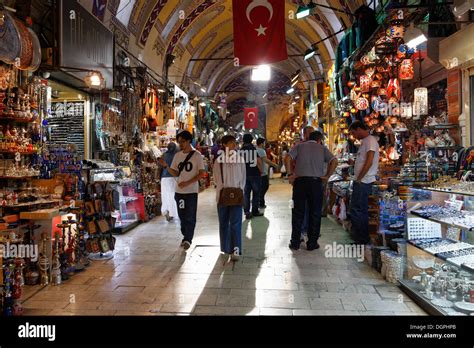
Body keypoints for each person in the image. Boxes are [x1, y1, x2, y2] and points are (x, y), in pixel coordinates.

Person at [286, 131, 338, 251]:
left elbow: (288, 158)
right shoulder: (322, 148)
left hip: (300, 182)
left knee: (298, 212)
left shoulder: (298, 146)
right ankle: (312, 243)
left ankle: (295, 242)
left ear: (307, 138)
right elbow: (334, 161)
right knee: (315, 213)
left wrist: (290, 174)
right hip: (316, 183)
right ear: (319, 140)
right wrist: (327, 176)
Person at [159, 131, 206, 250]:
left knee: (190, 216)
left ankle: (188, 239)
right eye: (179, 142)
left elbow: (201, 173)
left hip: (191, 192)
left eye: (182, 142)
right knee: (182, 216)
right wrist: (166, 166)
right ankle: (185, 235)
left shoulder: (197, 155)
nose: (180, 144)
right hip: (179, 192)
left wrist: (188, 183)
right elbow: (175, 172)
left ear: (189, 141)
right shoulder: (177, 156)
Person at [214, 135, 246, 261]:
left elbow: (243, 178)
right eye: (231, 143)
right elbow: (217, 179)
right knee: (224, 223)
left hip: (234, 195)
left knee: (236, 223)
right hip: (223, 195)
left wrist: (238, 190)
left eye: (235, 143)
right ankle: (226, 248)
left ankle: (235, 250)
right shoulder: (219, 161)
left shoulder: (240, 159)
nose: (234, 146)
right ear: (224, 145)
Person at [348, 121, 380, 245]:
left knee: (358, 210)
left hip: (364, 181)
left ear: (359, 129)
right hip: (362, 180)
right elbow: (364, 161)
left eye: (353, 132)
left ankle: (362, 239)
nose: (353, 135)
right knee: (357, 209)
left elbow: (370, 161)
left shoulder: (370, 141)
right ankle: (360, 238)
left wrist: (360, 178)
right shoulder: (365, 142)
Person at [242, 134, 263, 219]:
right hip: (254, 174)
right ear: (251, 140)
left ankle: (247, 211)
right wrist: (261, 170)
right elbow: (258, 161)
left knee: (246, 193)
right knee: (256, 193)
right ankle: (255, 211)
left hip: (245, 174)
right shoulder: (252, 149)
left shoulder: (241, 150)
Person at [159, 142, 179, 222]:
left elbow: (160, 167)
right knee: (173, 196)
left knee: (165, 195)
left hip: (164, 178)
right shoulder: (177, 155)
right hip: (174, 177)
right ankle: (172, 213)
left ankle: (166, 211)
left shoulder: (163, 155)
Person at [256, 138, 278, 208]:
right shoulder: (262, 151)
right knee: (265, 186)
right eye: (264, 143)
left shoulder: (255, 150)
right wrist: (274, 164)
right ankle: (260, 201)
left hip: (258, 172)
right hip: (263, 172)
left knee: (260, 187)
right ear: (262, 143)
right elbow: (265, 160)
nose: (265, 144)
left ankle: (260, 202)